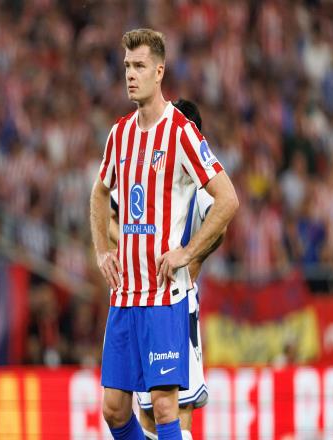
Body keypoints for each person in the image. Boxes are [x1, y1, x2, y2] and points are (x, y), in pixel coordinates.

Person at [90, 28, 238, 440]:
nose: (130, 74)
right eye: (126, 66)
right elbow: (99, 192)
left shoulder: (180, 132)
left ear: (159, 72)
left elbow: (227, 199)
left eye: (139, 66)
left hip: (163, 296)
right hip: (125, 295)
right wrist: (102, 250)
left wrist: (187, 253)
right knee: (114, 410)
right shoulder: (119, 134)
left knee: (166, 406)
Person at [109, 99, 225, 440]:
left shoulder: (195, 181)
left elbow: (221, 222)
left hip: (176, 299)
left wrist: (191, 257)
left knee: (175, 408)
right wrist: (132, 245)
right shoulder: (143, 170)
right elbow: (111, 216)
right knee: (144, 411)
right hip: (139, 296)